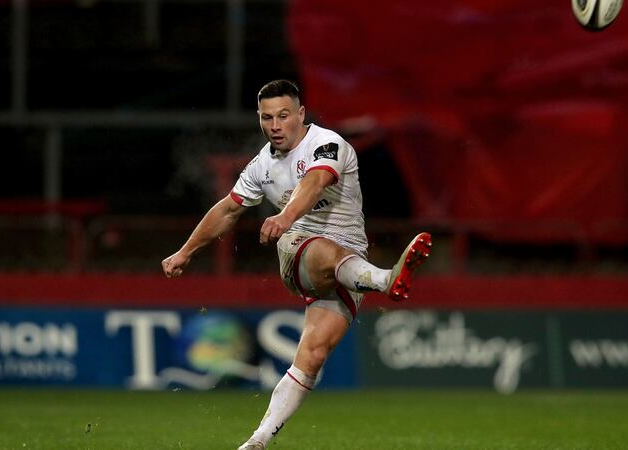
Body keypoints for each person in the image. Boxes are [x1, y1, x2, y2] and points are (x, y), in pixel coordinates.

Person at [161, 79, 432, 450]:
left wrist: (284, 215)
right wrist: (185, 251)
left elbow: (316, 182)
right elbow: (227, 209)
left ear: (301, 114)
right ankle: (387, 280)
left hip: (349, 263)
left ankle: (257, 441)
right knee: (321, 249)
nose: (274, 125)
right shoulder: (261, 166)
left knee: (313, 355)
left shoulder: (326, 143)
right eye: (266, 117)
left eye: (283, 116)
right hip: (299, 251)